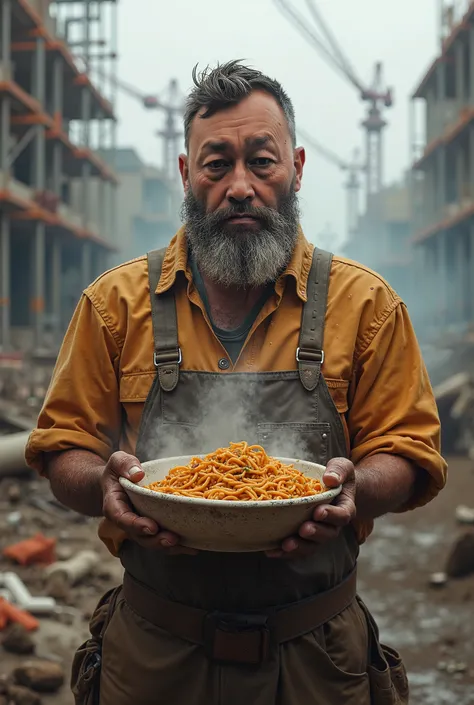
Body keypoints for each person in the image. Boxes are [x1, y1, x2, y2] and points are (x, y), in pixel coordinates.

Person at [25, 60, 447, 705]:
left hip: (316, 661)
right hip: (153, 660)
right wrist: (101, 481)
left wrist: (357, 489)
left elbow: (411, 450)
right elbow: (63, 443)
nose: (240, 186)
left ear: (297, 168)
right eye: (217, 164)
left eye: (263, 161)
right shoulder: (114, 304)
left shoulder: (367, 306)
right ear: (186, 174)